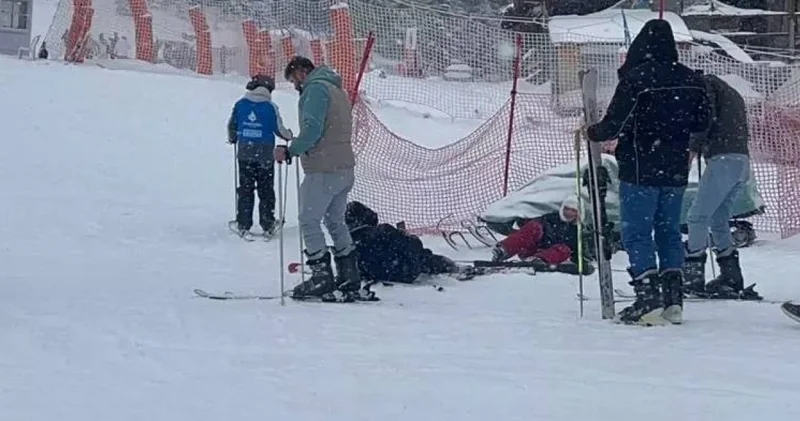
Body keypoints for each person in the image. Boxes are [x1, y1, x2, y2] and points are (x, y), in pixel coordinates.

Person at [586, 19, 709, 325]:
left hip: (641, 165)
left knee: (637, 231)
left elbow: (615, 123)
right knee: (668, 230)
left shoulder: (637, 79)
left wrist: (592, 132)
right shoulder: (692, 80)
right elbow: (702, 123)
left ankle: (647, 297)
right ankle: (673, 299)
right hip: (676, 168)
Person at [275, 56, 360, 299]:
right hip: (344, 165)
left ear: (302, 72)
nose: (295, 86)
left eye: (294, 80)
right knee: (336, 220)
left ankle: (321, 277)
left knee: (308, 220)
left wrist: (290, 149)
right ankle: (349, 274)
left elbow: (312, 129)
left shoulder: (315, 90)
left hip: (323, 167)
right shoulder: (336, 89)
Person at [682, 75, 761, 301]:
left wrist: (692, 148)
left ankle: (692, 276)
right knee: (718, 219)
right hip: (740, 159)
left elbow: (704, 119)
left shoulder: (704, 88)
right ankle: (731, 277)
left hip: (723, 158)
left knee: (697, 217)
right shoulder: (729, 92)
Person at [227, 74, 293, 236]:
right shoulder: (270, 107)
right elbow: (280, 130)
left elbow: (232, 126)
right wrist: (289, 136)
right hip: (265, 154)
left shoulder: (240, 104)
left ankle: (243, 222)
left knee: (245, 188)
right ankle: (268, 223)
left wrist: (233, 138)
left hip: (244, 153)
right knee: (266, 189)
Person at [345, 201, 459, 284]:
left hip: (377, 273)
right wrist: (408, 236)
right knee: (420, 255)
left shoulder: (346, 241)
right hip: (404, 271)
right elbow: (413, 246)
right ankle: (446, 265)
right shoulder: (383, 230)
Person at [490, 196, 592, 275]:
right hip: (532, 248)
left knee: (565, 249)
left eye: (573, 210)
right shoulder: (551, 218)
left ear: (578, 213)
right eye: (567, 209)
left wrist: (585, 265)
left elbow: (579, 254)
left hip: (546, 258)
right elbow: (529, 227)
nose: (569, 212)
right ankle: (503, 250)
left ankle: (537, 260)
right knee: (535, 226)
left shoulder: (577, 231)